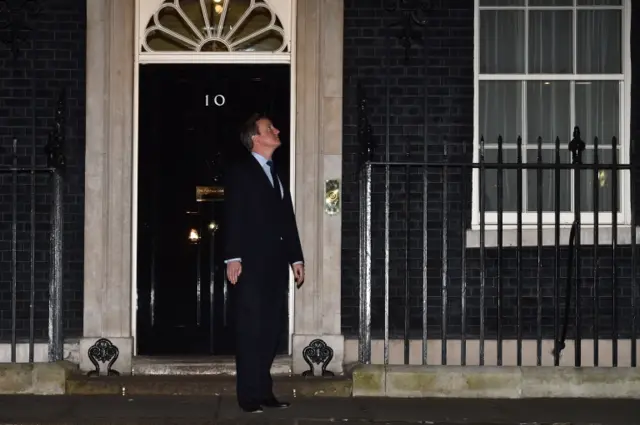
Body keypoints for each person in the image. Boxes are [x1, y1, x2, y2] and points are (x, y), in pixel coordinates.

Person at [224, 113, 305, 413]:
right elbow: (234, 214)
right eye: (270, 128)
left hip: (274, 266)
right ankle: (248, 396)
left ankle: (264, 392)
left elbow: (287, 220)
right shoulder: (241, 171)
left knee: (271, 331)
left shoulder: (277, 172)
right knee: (251, 331)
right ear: (256, 138)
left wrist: (296, 258)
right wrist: (233, 257)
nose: (276, 130)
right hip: (249, 265)